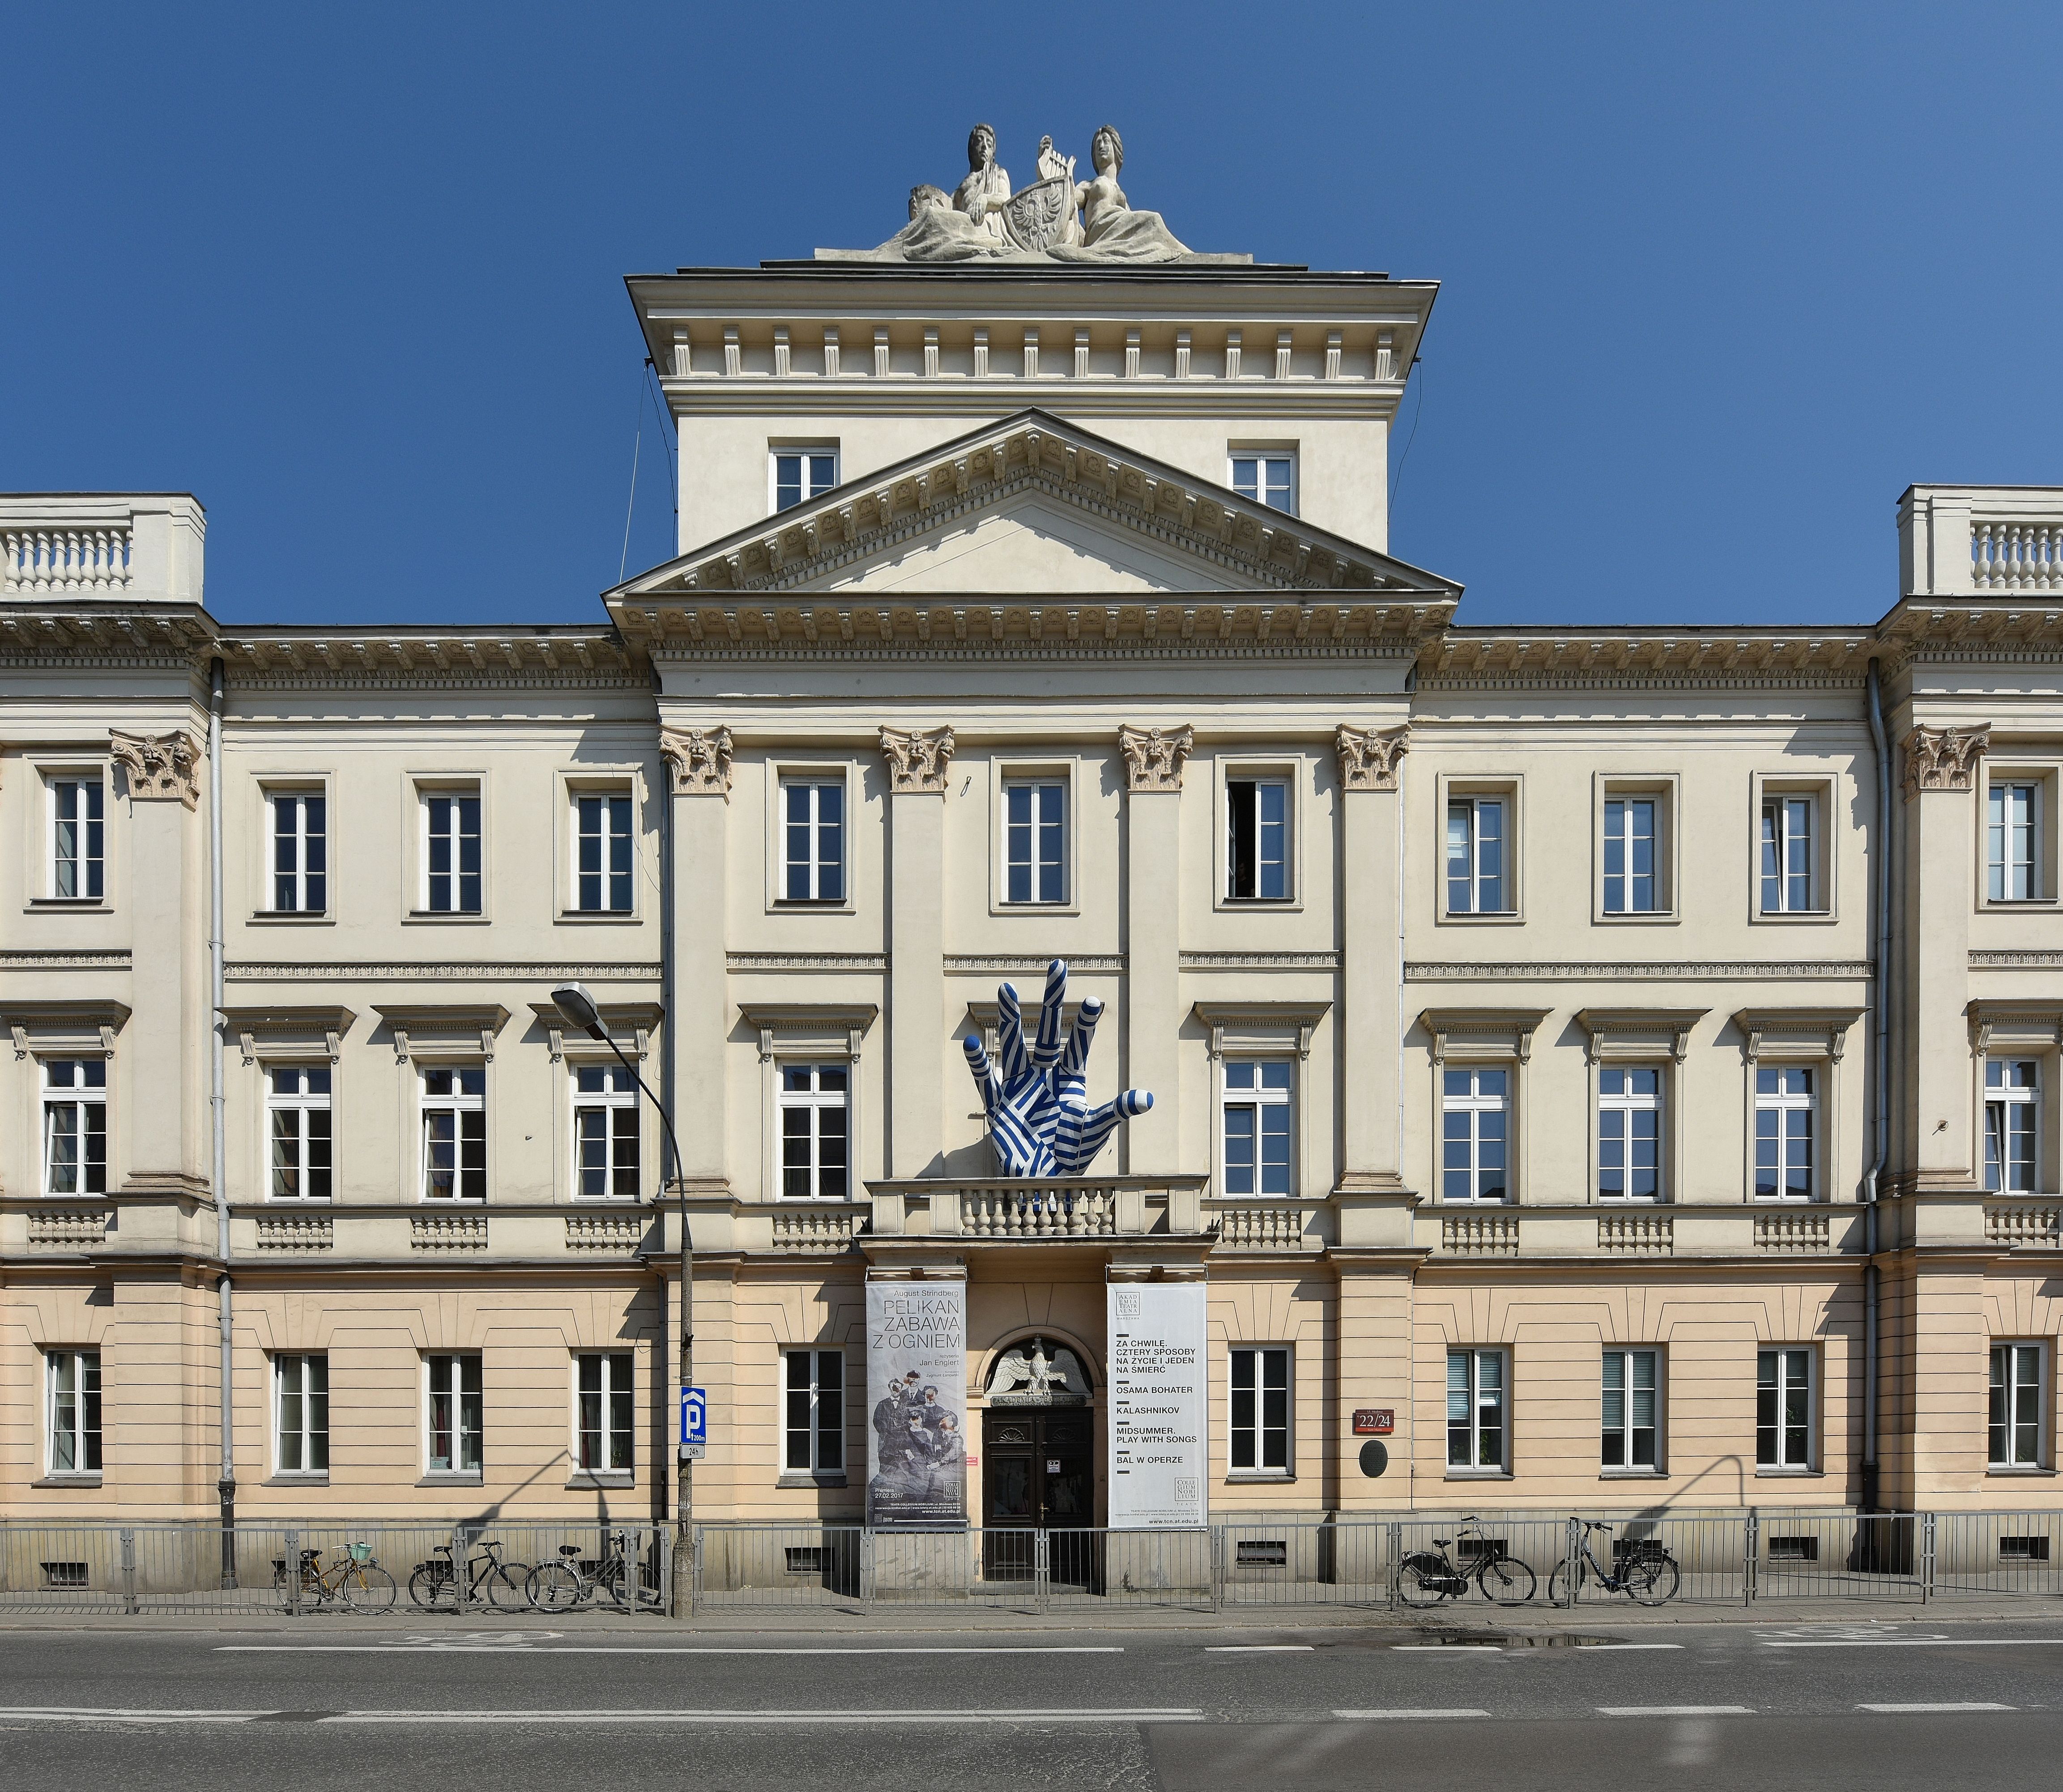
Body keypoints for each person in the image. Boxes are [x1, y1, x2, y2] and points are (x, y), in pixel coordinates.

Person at [1058, 124, 1191, 263]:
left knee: (1154, 240)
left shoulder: (1122, 195)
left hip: (1121, 228)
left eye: (1105, 141)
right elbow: (1068, 202)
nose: (1101, 146)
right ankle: (1188, 256)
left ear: (1116, 149)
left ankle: (1183, 256)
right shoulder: (1089, 185)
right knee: (1153, 221)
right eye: (1098, 143)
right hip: (1102, 230)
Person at [952, 123, 1011, 239]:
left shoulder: (998, 173)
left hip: (985, 225)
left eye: (989, 145)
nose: (984, 146)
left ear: (993, 155)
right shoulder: (960, 190)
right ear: (971, 149)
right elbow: (949, 208)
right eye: (979, 141)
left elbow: (1006, 199)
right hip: (963, 225)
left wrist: (985, 199)